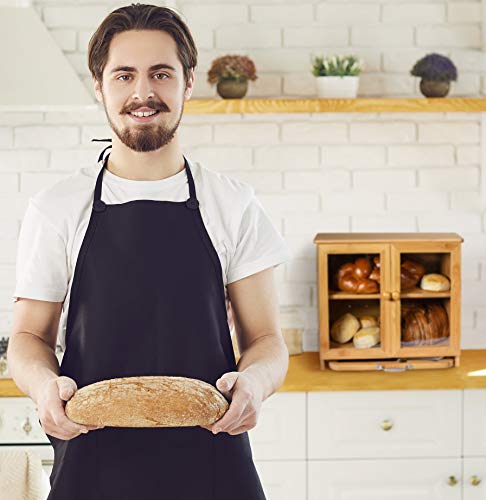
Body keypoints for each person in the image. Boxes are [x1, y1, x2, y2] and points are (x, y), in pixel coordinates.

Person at [6, 3, 291, 499]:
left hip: (213, 461)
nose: (143, 93)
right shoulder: (57, 207)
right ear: (99, 86)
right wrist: (42, 386)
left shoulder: (233, 203)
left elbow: (266, 339)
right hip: (93, 464)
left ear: (188, 82)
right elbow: (29, 336)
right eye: (124, 75)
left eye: (161, 73)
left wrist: (257, 383)